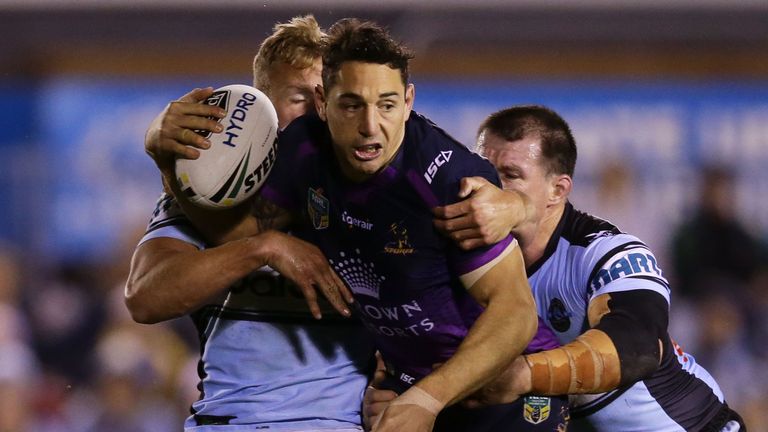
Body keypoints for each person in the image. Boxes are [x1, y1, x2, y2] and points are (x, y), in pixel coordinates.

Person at [166, 18, 568, 432]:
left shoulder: (447, 181)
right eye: (352, 104)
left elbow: (516, 313)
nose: (370, 125)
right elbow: (233, 236)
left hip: (500, 390)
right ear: (323, 103)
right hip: (408, 391)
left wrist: (427, 399)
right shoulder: (304, 149)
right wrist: (168, 161)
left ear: (409, 101)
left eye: (387, 105)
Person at [416, 105, 744, 431]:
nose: (490, 186)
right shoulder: (459, 259)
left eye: (511, 175)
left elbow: (638, 348)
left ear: (557, 190)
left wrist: (525, 375)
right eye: (483, 170)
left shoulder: (605, 252)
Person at [125, 15, 375, 431]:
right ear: (260, 104)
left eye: (325, 98)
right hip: (231, 422)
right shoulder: (211, 194)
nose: (316, 113)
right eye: (299, 97)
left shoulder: (374, 198)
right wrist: (264, 248)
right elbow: (145, 298)